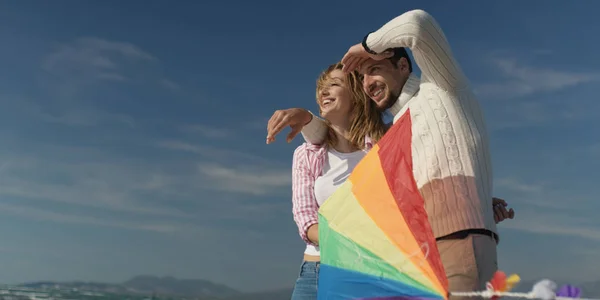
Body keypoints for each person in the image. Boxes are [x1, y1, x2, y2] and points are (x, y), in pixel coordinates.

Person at [269, 9, 515, 297]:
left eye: (373, 69)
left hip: (424, 252)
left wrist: (365, 47)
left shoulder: (437, 89)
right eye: (362, 76)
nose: (368, 81)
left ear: (402, 66)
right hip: (395, 259)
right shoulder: (396, 128)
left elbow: (418, 24)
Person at [290, 62, 386, 299]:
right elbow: (306, 219)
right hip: (315, 272)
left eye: (334, 84)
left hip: (368, 273)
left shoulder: (381, 148)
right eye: (322, 87)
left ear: (356, 94)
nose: (324, 92)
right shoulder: (306, 154)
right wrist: (349, 238)